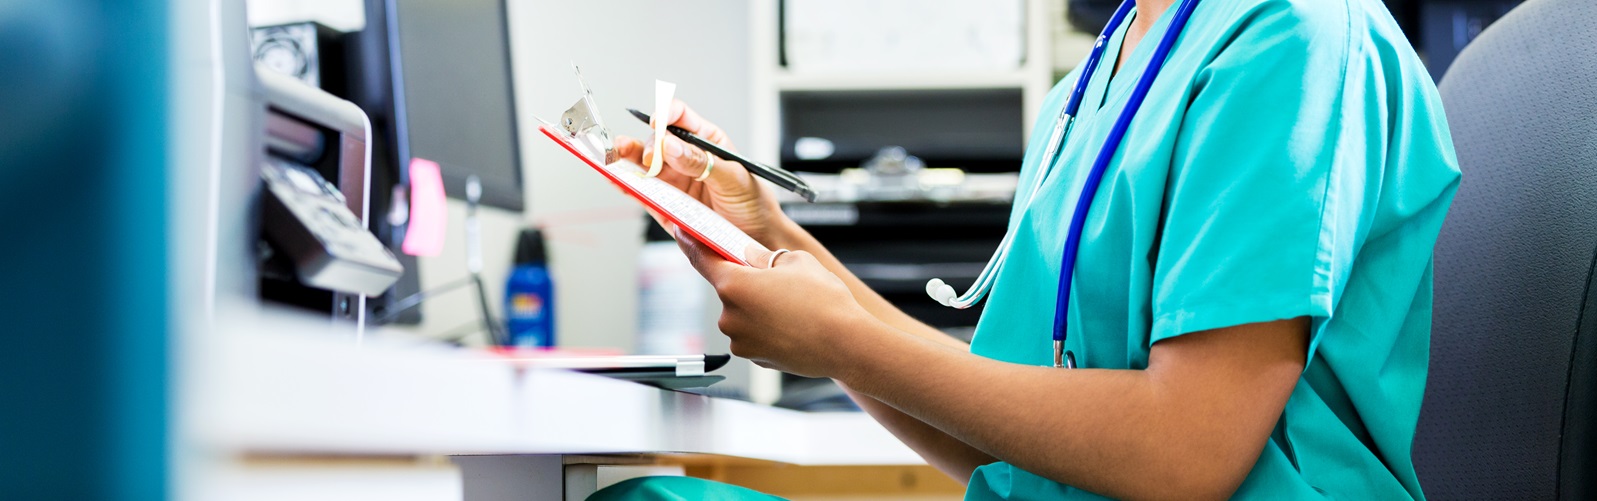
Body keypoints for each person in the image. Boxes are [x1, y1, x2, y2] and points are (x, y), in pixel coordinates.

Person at [591, 0, 1461, 497]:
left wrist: (838, 339)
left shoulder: (1292, 41)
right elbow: (1008, 441)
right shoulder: (1091, 81)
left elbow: (1186, 451)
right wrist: (767, 241)